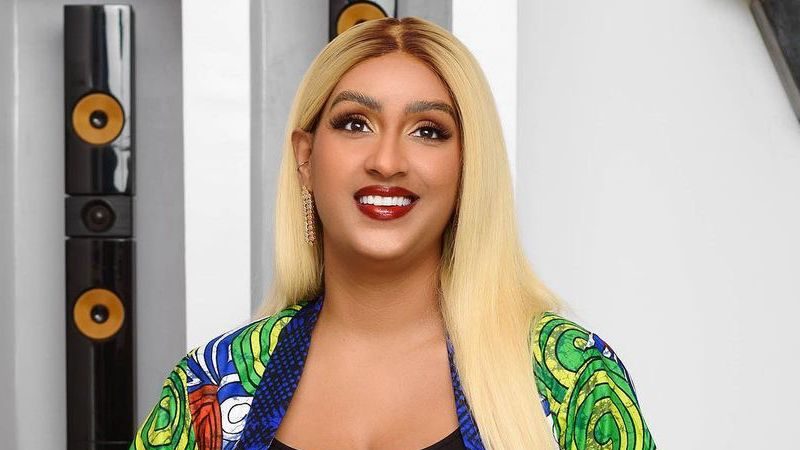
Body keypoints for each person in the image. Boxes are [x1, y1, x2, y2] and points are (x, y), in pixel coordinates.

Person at [130, 17, 655, 450]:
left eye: (428, 131)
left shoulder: (571, 380)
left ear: (468, 168)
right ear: (306, 158)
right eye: (355, 123)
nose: (387, 161)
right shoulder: (211, 386)